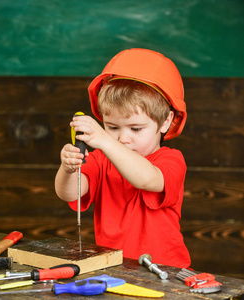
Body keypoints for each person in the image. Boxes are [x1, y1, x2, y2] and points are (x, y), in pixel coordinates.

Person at [55, 48, 191, 268]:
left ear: (165, 122)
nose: (123, 138)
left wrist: (105, 139)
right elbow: (69, 192)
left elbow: (147, 179)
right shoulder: (100, 159)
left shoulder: (172, 160)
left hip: (168, 272)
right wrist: (68, 169)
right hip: (115, 269)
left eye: (135, 129)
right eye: (112, 127)